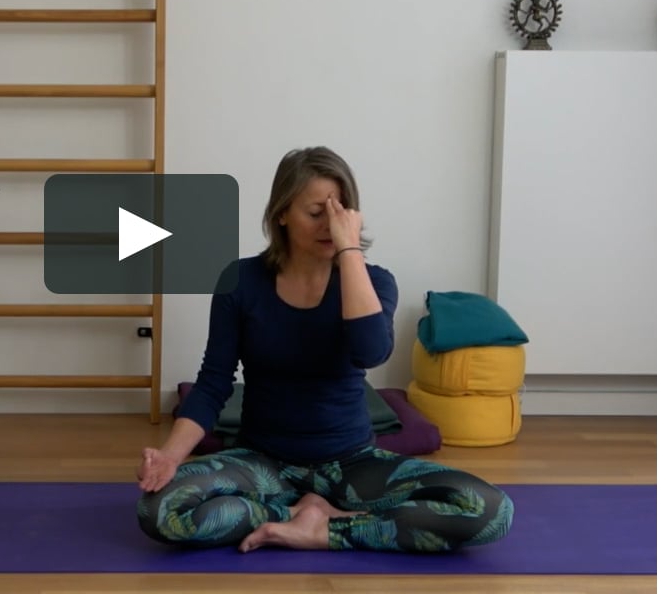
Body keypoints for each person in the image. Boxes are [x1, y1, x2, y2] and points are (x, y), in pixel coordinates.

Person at [135, 146, 514, 553]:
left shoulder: (374, 282)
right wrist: (170, 456)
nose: (330, 226)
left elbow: (370, 352)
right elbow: (212, 384)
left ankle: (325, 529)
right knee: (160, 511)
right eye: (317, 213)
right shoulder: (241, 280)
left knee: (490, 510)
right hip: (264, 464)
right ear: (282, 213)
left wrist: (349, 253)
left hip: (352, 465)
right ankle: (299, 515)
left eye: (339, 213)